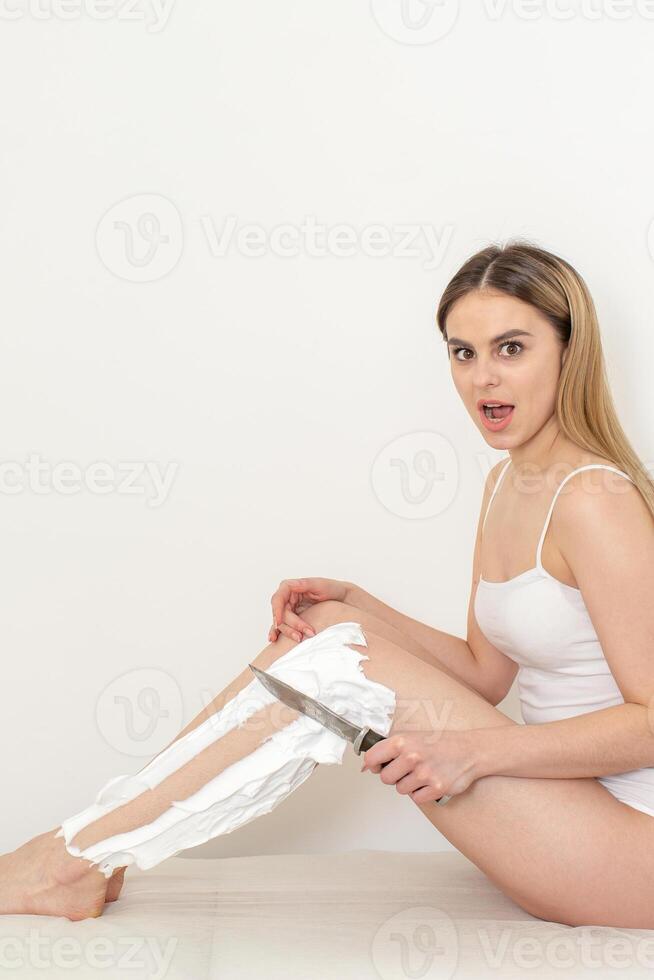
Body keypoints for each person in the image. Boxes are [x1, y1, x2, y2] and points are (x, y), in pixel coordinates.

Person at [2, 241, 653, 928]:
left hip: (630, 847)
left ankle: (72, 861)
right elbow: (484, 674)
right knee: (334, 627)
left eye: (511, 349)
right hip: (561, 822)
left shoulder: (594, 500)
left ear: (568, 351)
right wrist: (357, 604)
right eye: (463, 353)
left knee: (340, 657)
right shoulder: (507, 483)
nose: (483, 379)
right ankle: (91, 850)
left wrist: (475, 751)